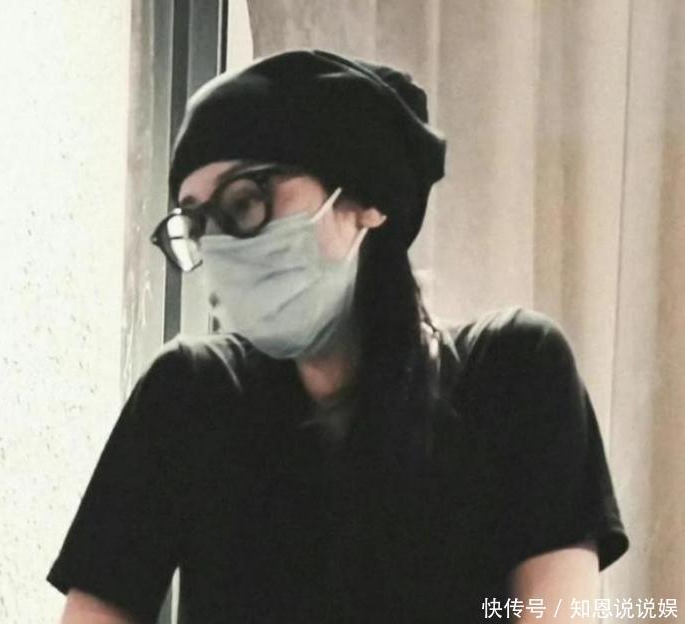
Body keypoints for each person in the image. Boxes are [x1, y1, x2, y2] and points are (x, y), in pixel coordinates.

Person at [47, 49, 629, 624]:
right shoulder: (188, 396)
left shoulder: (512, 375)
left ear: (364, 198)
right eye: (195, 224)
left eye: (245, 201)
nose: (219, 244)